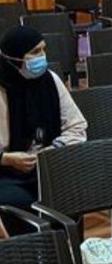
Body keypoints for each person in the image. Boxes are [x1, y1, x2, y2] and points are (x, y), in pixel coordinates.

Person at [0, 26, 87, 235]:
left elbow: (77, 126)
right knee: (16, 203)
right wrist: (7, 159)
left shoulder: (50, 80)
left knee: (71, 194)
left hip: (47, 164)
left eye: (43, 50)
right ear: (15, 58)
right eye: (35, 52)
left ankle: (61, 256)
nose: (42, 57)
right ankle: (24, 257)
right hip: (5, 171)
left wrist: (54, 149)